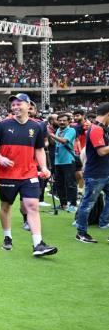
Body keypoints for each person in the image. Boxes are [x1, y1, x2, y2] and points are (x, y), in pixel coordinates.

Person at [0, 93, 57, 256]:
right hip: (7, 175)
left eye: (19, 104)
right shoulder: (3, 125)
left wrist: (44, 167)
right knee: (6, 206)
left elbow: (38, 148)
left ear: (29, 106)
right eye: (13, 105)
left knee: (32, 206)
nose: (16, 107)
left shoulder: (37, 126)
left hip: (29, 173)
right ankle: (7, 237)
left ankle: (38, 244)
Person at [74, 102, 109, 243]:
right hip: (96, 174)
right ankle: (81, 232)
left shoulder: (103, 128)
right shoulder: (95, 129)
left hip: (104, 172)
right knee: (88, 203)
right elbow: (101, 151)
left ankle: (103, 222)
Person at [48, 114, 78, 212]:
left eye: (64, 120)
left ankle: (72, 204)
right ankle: (63, 204)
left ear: (69, 121)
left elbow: (64, 141)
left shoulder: (71, 130)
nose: (61, 122)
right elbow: (55, 143)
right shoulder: (58, 131)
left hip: (68, 160)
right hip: (58, 161)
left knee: (70, 183)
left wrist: (51, 135)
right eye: (60, 120)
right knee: (59, 184)